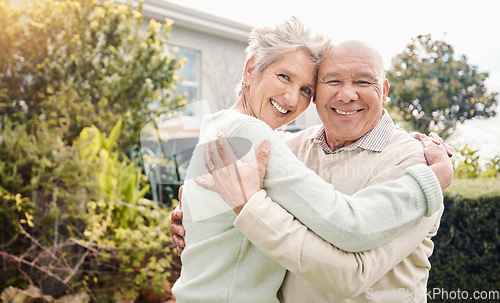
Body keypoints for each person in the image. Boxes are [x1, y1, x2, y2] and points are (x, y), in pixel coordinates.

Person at [171, 18, 450, 303]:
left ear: (385, 91)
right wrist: (435, 179)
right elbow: (349, 225)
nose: (292, 98)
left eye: (305, 89)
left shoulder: (414, 160)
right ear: (250, 69)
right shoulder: (266, 140)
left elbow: (351, 269)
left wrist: (222, 212)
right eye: (284, 76)